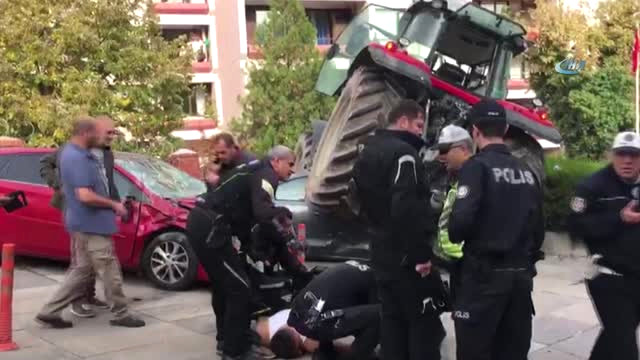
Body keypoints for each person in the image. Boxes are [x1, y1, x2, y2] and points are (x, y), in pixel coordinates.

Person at [448, 99, 544, 360]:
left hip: (483, 281)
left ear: (475, 131)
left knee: (474, 351)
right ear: (503, 131)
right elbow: (539, 231)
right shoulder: (526, 170)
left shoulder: (475, 167)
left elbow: (460, 225)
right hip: (519, 281)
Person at [352, 99, 447, 360]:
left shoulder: (366, 152)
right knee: (422, 326)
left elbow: (354, 202)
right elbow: (406, 210)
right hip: (406, 260)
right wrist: (422, 256)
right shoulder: (404, 153)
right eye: (418, 124)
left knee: (392, 325)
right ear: (402, 122)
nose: (420, 131)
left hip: (381, 255)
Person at [186, 145, 299, 360]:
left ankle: (226, 341)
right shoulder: (267, 175)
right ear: (276, 161)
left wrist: (252, 247)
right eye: (290, 164)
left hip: (201, 222)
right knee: (240, 288)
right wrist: (284, 215)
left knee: (224, 286)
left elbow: (244, 215)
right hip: (210, 226)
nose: (293, 170)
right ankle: (234, 351)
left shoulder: (253, 171)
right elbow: (263, 212)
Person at [35, 117, 144, 329]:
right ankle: (121, 313)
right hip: (91, 224)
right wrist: (114, 206)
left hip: (85, 222)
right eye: (101, 132)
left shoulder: (83, 154)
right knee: (110, 269)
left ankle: (48, 311)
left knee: (82, 270)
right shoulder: (76, 157)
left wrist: (115, 201)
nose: (106, 136)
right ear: (86, 133)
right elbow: (85, 195)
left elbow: (102, 184)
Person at [567, 131, 640, 360]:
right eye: (621, 154)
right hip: (609, 278)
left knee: (615, 337)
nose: (627, 160)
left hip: (637, 278)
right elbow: (575, 226)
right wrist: (619, 218)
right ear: (612, 155)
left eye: (634, 155)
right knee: (625, 346)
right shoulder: (593, 186)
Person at [39, 115, 119, 318]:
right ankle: (78, 302)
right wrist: (61, 185)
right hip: (78, 209)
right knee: (83, 262)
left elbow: (107, 181)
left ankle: (87, 297)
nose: (112, 136)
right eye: (109, 132)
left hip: (98, 210)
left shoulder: (106, 153)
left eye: (113, 132)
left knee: (87, 263)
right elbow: (45, 164)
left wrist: (115, 204)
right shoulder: (73, 151)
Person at [281, 260, 380, 360]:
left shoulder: (366, 269)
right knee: (379, 314)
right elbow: (377, 320)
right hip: (316, 321)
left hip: (299, 314)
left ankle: (325, 353)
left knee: (338, 303)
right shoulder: (381, 282)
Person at [431, 125, 473, 302]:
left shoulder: (475, 178)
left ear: (463, 149)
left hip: (468, 264)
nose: (440, 156)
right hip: (455, 264)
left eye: (445, 150)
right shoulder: (456, 178)